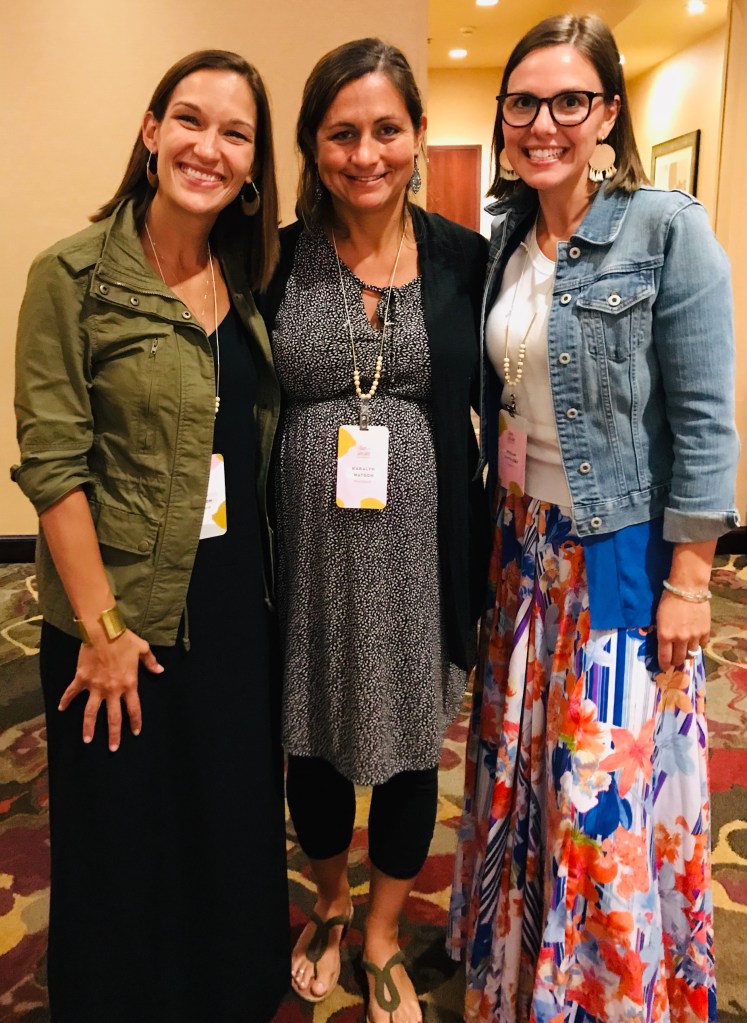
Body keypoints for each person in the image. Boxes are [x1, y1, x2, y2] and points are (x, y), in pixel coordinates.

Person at [447, 14, 739, 1023]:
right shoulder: (508, 239)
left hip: (616, 557)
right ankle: (520, 973)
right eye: (523, 103)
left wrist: (691, 580)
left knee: (596, 797)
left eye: (569, 101)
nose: (544, 123)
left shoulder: (667, 229)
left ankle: (602, 997)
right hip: (520, 548)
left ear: (607, 113)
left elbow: (706, 421)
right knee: (522, 767)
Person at [13, 50, 289, 1023]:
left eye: (235, 133)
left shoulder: (249, 278)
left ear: (253, 165)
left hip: (235, 597)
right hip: (122, 607)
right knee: (123, 829)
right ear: (150, 131)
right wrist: (103, 631)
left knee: (225, 811)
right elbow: (54, 468)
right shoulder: (72, 276)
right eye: (190, 119)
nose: (208, 147)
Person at [259, 37, 488, 1023]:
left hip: (419, 552)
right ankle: (331, 903)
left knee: (407, 743)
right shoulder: (272, 257)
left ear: (418, 134)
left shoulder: (463, 258)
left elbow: (508, 391)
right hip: (302, 553)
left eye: (386, 129)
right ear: (313, 144)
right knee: (308, 738)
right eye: (341, 133)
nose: (365, 154)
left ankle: (386, 930)